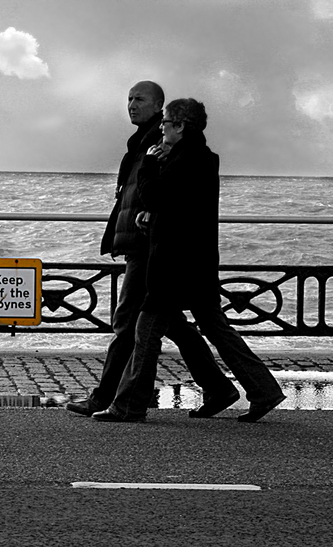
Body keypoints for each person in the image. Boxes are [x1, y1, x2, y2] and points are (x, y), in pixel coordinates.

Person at [91, 98, 286, 423]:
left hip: (174, 263)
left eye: (166, 123)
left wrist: (149, 166)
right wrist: (151, 218)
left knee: (146, 331)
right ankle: (262, 390)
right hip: (197, 261)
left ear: (180, 126)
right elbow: (180, 207)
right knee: (216, 328)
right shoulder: (200, 158)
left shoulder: (184, 160)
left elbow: (155, 194)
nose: (162, 128)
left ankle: (128, 405)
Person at [67, 81, 231, 417]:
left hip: (150, 245)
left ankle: (110, 398)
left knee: (128, 321)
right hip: (142, 242)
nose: (131, 105)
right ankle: (218, 387)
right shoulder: (143, 140)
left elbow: (167, 189)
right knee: (168, 322)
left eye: (139, 99)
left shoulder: (162, 140)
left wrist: (149, 215)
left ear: (159, 106)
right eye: (128, 98)